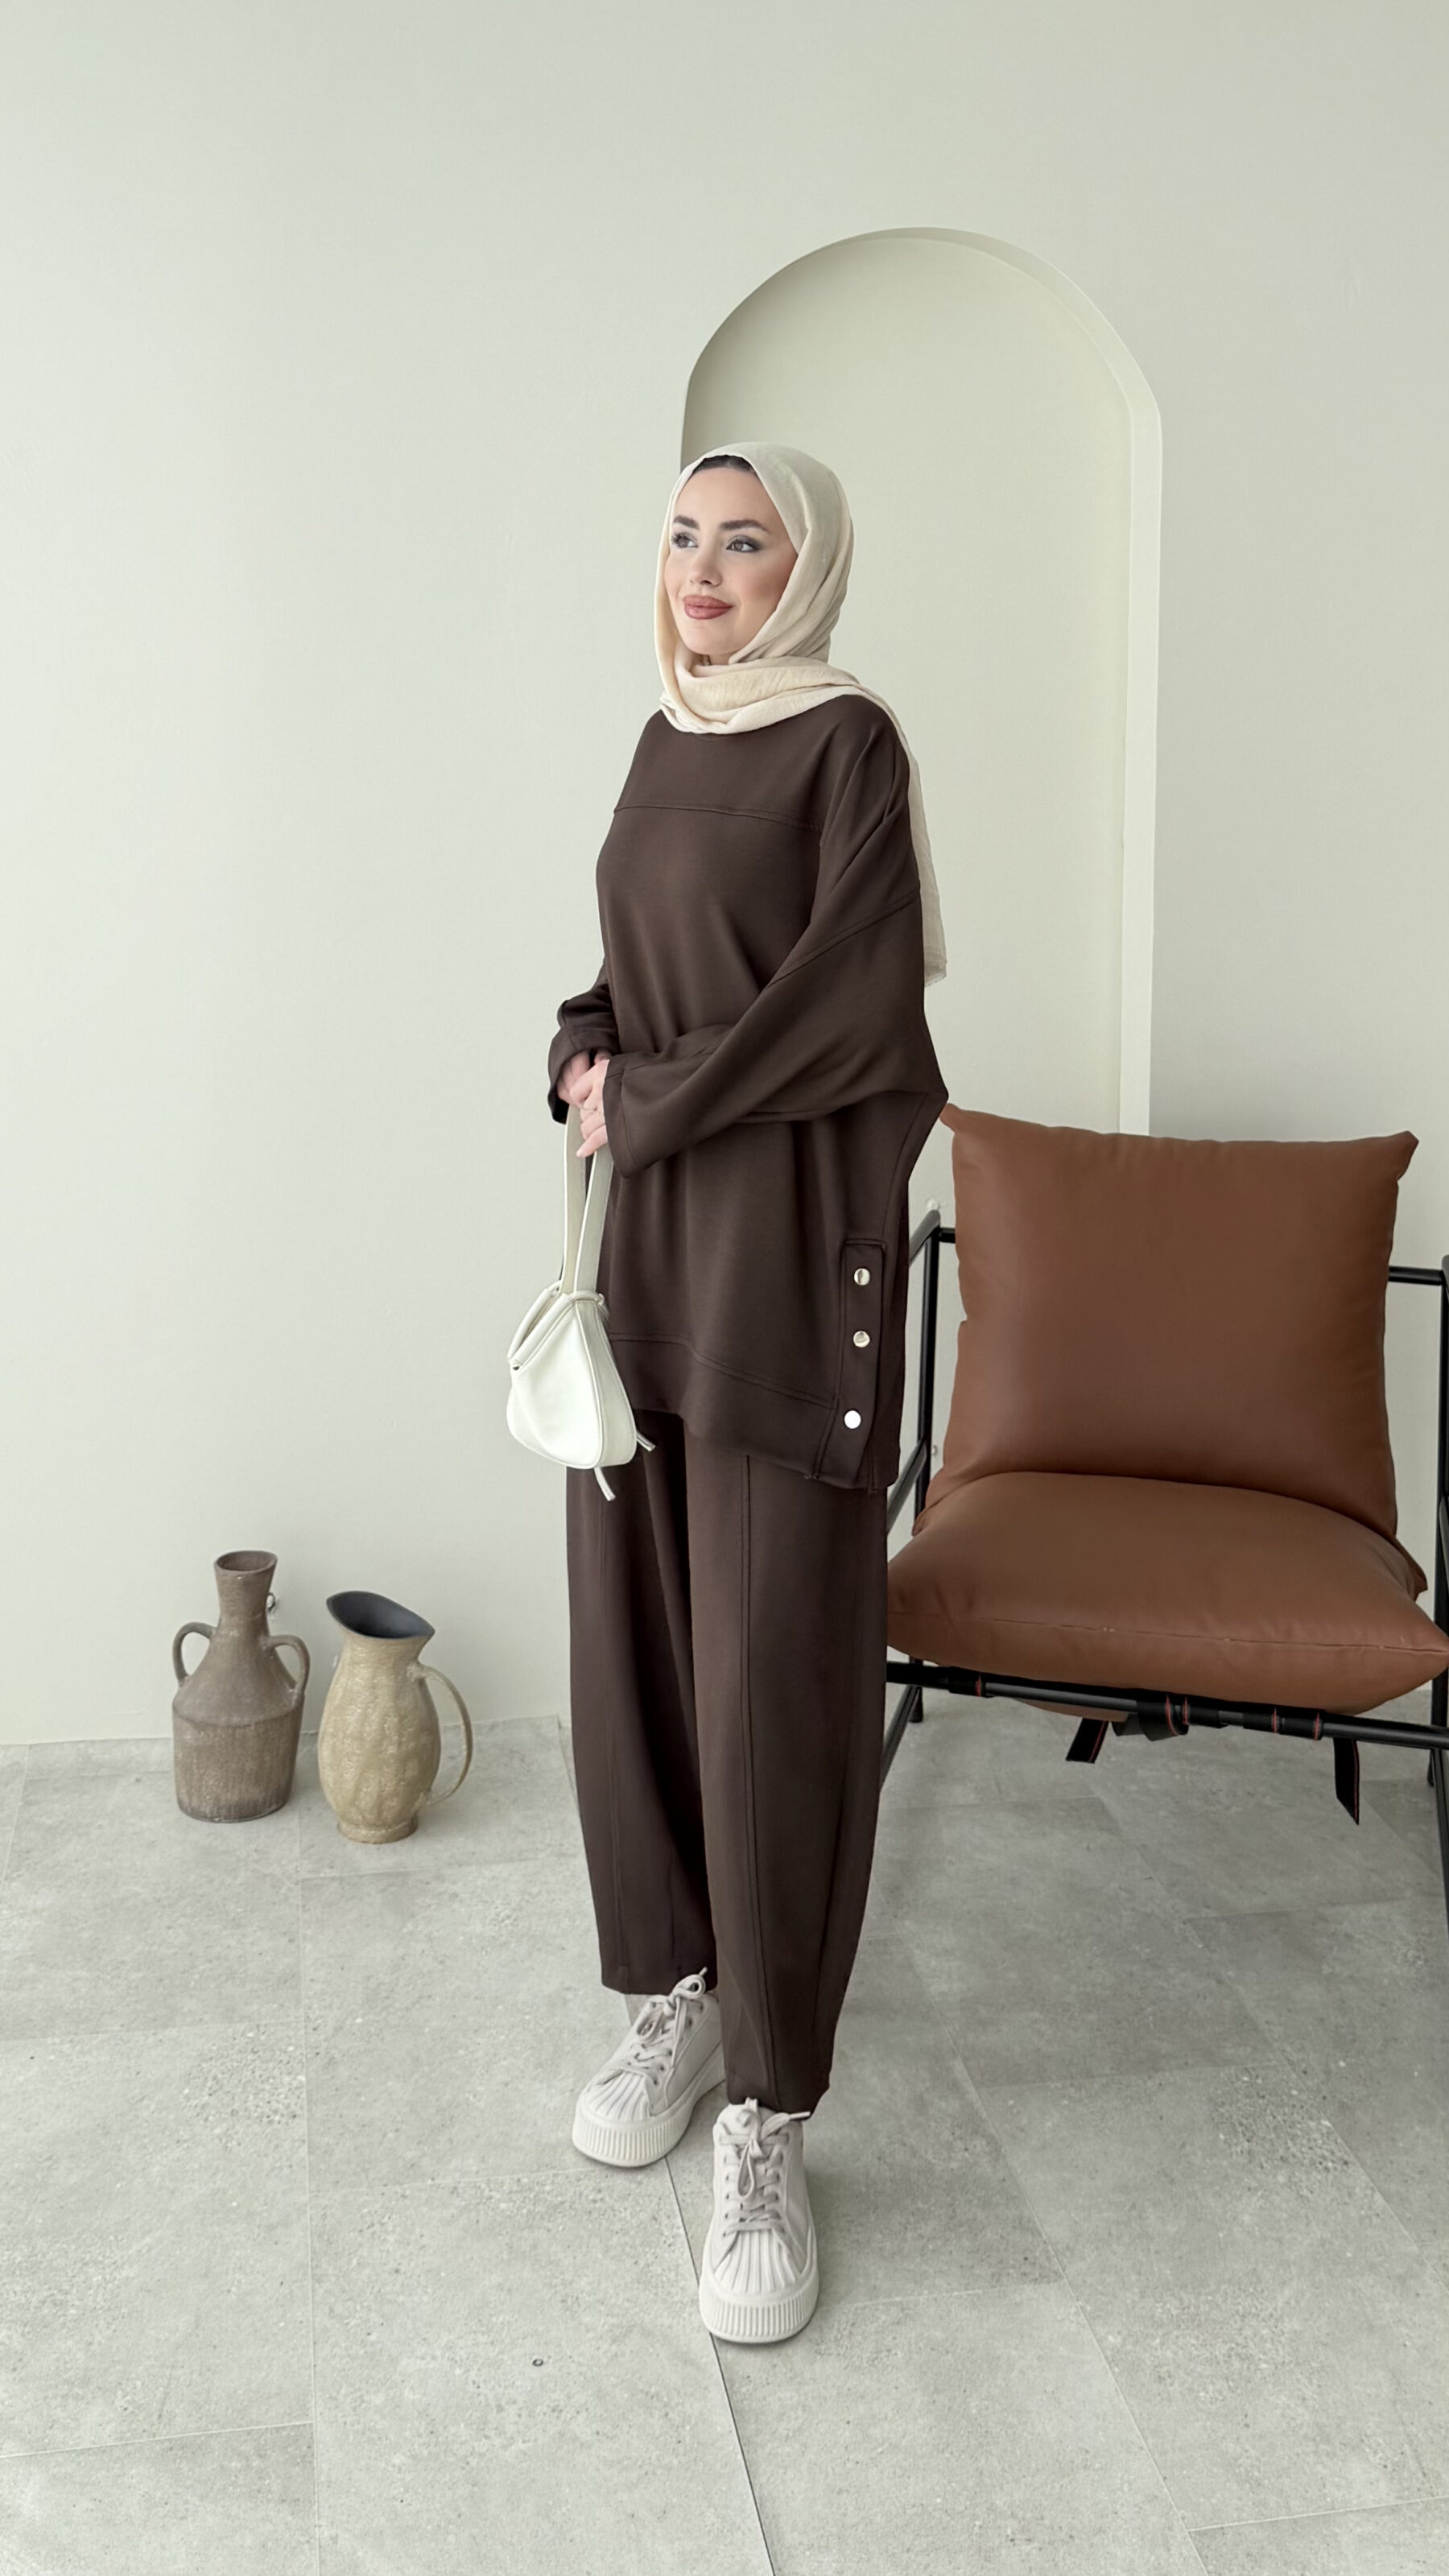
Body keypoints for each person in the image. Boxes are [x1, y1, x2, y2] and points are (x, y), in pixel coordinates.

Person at [545, 440, 948, 2344]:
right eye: (685, 539)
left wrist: (650, 1100)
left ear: (811, 567)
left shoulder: (848, 746)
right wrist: (582, 1044)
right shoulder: (666, 732)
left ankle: (772, 2116)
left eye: (747, 544)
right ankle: (679, 2002)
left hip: (783, 1271)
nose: (703, 573)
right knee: (634, 1653)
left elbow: (850, 1015)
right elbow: (652, 966)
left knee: (772, 1684)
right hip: (646, 1264)